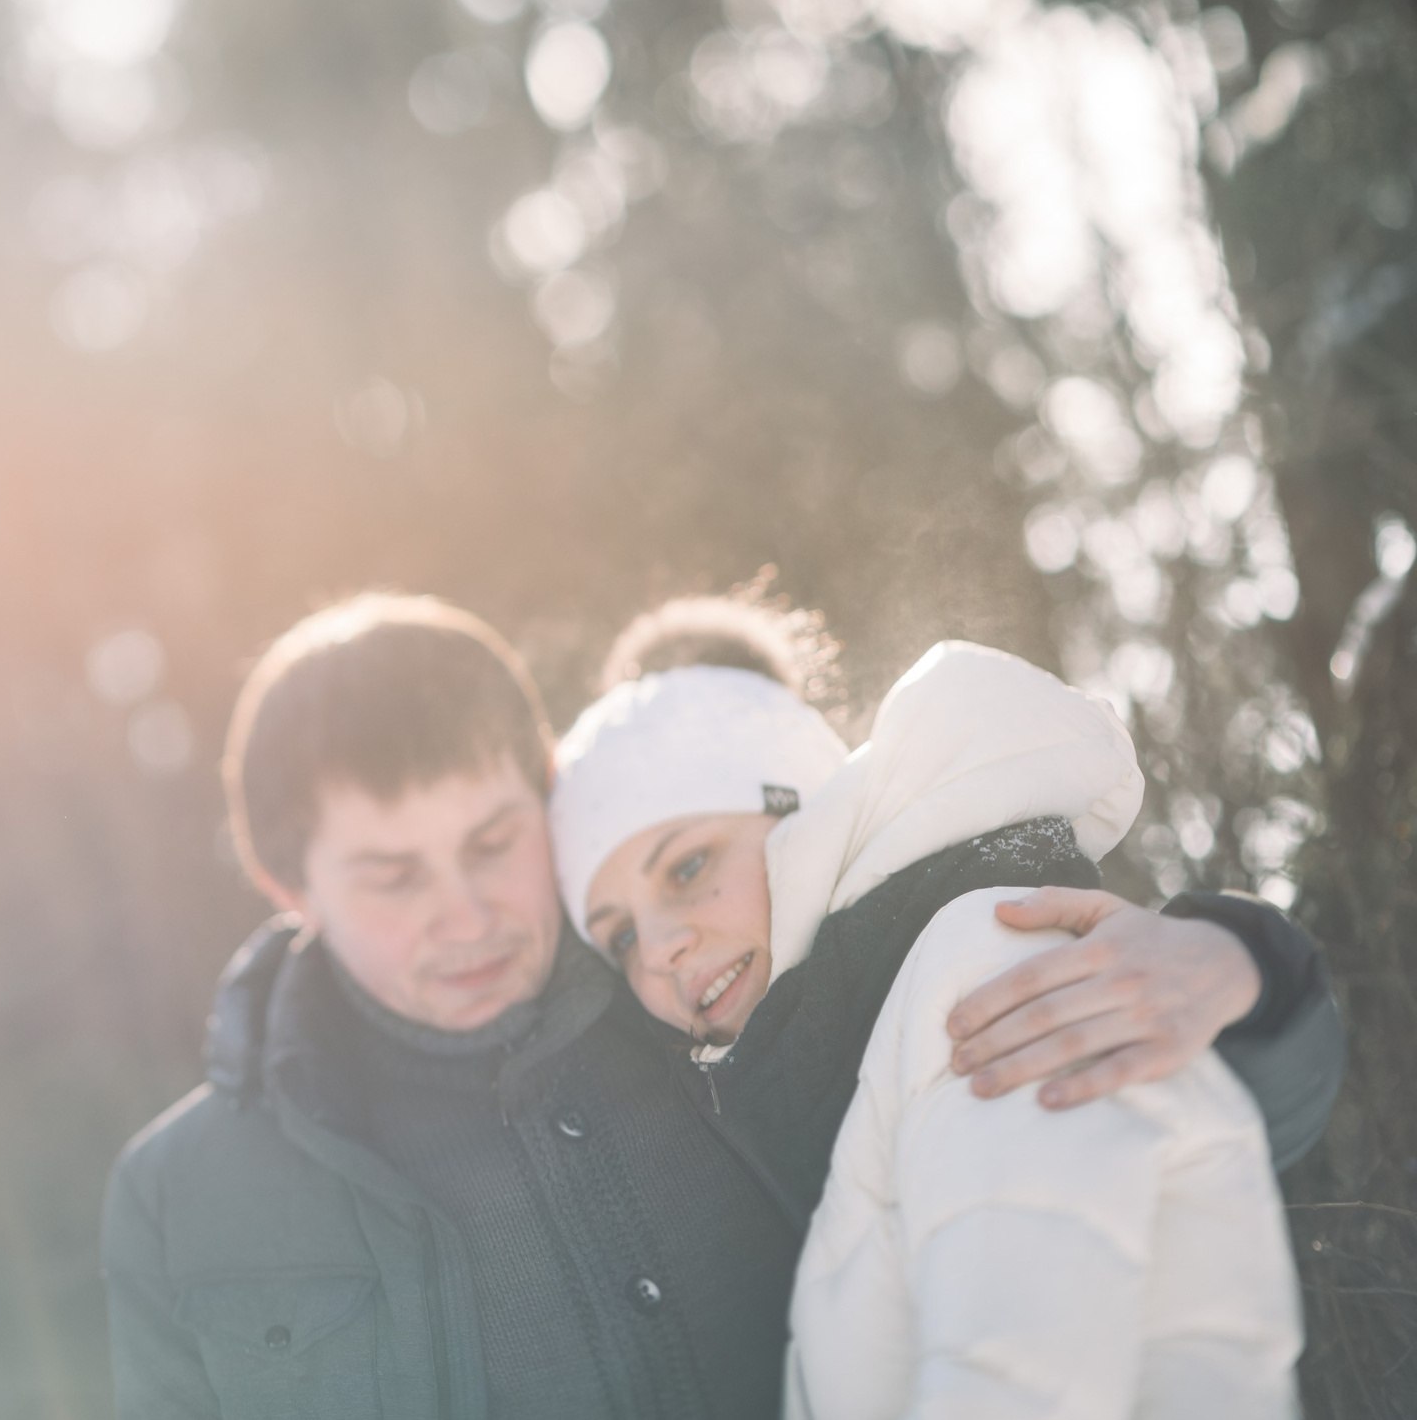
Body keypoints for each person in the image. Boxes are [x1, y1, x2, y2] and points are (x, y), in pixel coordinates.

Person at [101, 592, 1343, 1420]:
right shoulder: (188, 1198)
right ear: (288, 884)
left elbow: (1100, 1140)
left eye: (493, 839)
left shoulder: (722, 990)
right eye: (390, 877)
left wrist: (1238, 964)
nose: (468, 910)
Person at [557, 604, 1317, 1417]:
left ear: (802, 809)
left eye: (688, 865)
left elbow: (1027, 1379)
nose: (661, 947)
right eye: (621, 935)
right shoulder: (841, 1051)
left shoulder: (985, 968)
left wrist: (1253, 959)